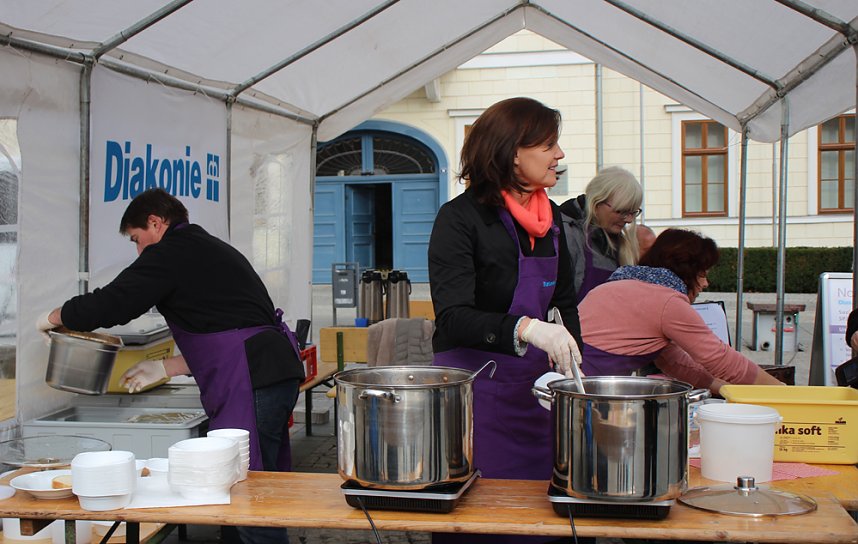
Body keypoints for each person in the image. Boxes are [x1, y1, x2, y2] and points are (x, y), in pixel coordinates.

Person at [35, 188, 304, 544]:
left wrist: (56, 316)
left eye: (136, 239)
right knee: (255, 482)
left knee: (245, 486)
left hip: (253, 377)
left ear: (155, 222)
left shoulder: (171, 252)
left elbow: (115, 303)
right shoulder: (205, 247)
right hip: (270, 371)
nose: (138, 250)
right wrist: (167, 367)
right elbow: (223, 328)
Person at [429, 97, 583, 544]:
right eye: (549, 145)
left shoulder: (552, 218)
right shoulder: (460, 219)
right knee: (483, 523)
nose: (560, 155)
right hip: (477, 402)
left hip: (536, 401)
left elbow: (566, 302)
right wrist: (527, 328)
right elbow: (453, 317)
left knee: (542, 516)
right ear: (513, 152)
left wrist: (575, 364)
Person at [578, 228, 783, 394]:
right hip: (583, 387)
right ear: (686, 270)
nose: (705, 283)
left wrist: (723, 389)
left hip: (568, 381)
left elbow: (674, 361)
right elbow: (722, 359)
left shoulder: (626, 281)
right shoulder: (666, 301)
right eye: (702, 274)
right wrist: (781, 391)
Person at [559, 166, 643, 302]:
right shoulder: (567, 233)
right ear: (597, 203)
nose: (629, 219)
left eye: (633, 212)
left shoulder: (615, 240)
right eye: (621, 211)